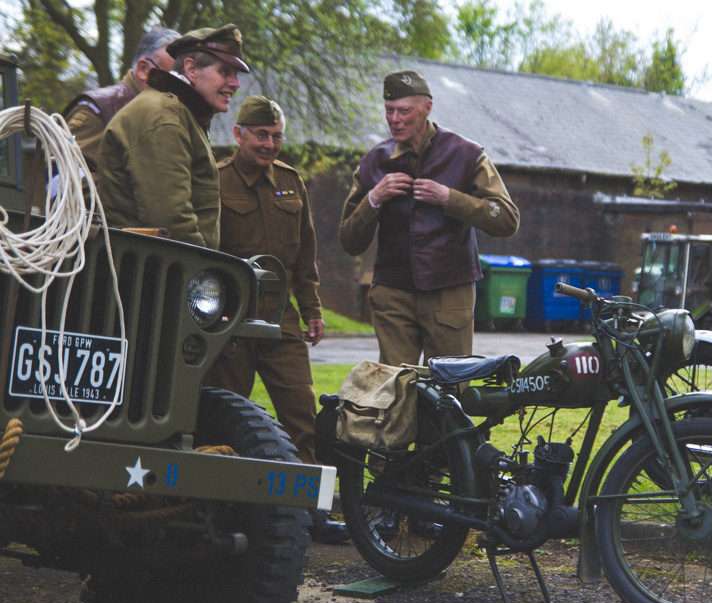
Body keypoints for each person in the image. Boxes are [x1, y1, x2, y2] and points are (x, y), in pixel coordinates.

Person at [204, 95, 346, 543]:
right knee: (226, 414)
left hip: (279, 320)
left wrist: (313, 310)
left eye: (276, 137)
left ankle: (310, 513)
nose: (269, 145)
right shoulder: (215, 180)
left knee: (302, 415)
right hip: (229, 321)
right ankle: (225, 509)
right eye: (261, 135)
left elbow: (305, 256)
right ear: (239, 135)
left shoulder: (291, 183)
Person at [338, 70, 520, 366]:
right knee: (395, 390)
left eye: (404, 111)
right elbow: (349, 239)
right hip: (393, 293)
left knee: (450, 389)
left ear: (427, 108)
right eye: (389, 111)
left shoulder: (467, 155)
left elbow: (507, 219)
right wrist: (374, 198)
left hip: (450, 292)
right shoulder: (374, 162)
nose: (395, 119)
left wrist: (451, 199)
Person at [98, 24, 249, 248]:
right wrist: (205, 270)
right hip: (155, 274)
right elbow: (170, 221)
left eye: (235, 74)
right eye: (224, 72)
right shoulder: (163, 117)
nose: (235, 83)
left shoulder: (179, 113)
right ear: (191, 68)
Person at [64, 27, 180, 172]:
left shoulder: (174, 114)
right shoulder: (98, 110)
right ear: (144, 70)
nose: (179, 90)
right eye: (172, 80)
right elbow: (68, 179)